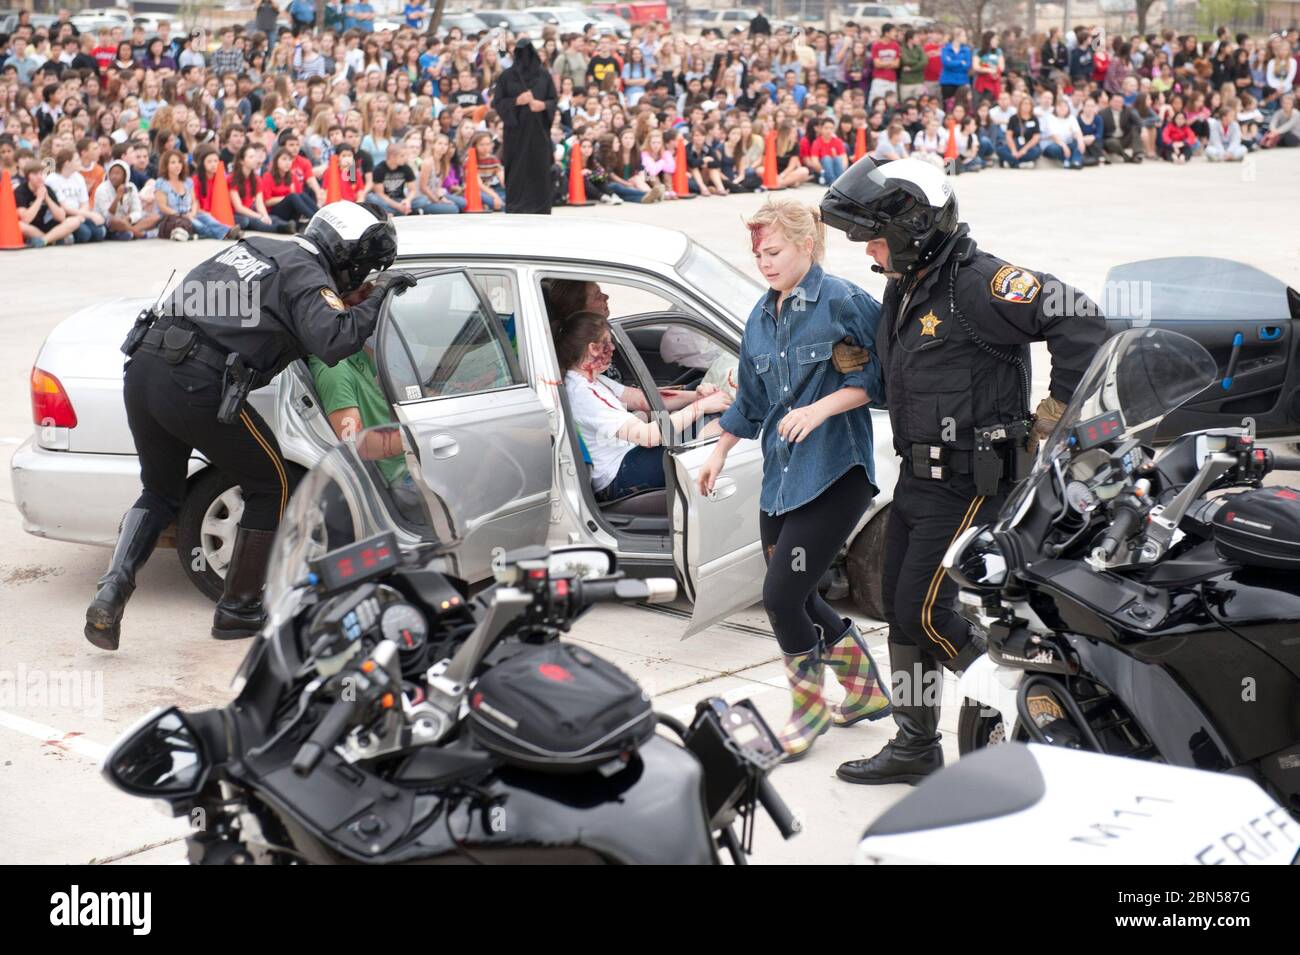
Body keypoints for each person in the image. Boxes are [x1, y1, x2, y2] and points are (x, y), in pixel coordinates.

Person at [820, 158, 1104, 784]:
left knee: (928, 613)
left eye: (873, 235)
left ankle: (1043, 725)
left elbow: (1079, 315)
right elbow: (923, 378)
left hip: (974, 484)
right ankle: (916, 748)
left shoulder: (979, 281)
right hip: (918, 480)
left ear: (914, 224)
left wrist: (1054, 412)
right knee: (901, 612)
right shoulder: (910, 281)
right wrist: (863, 362)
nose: (867, 249)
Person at [83, 201, 412, 651]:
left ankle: (111, 591)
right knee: (273, 485)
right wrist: (380, 295)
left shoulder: (253, 247)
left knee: (160, 492)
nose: (361, 278)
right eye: (363, 269)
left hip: (144, 367)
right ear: (346, 256)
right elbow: (333, 340)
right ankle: (238, 609)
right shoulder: (306, 273)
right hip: (194, 382)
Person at [698, 198, 892, 761]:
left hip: (836, 474)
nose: (765, 263)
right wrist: (720, 449)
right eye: (759, 254)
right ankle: (863, 693)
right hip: (780, 481)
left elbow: (881, 380)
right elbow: (753, 400)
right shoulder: (760, 317)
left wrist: (821, 408)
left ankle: (807, 715)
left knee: (781, 597)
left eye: (775, 251)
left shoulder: (843, 301)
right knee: (798, 591)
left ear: (807, 245)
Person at [551, 291, 730, 501]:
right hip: (619, 474)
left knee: (702, 407)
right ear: (593, 348)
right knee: (713, 426)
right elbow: (648, 436)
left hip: (629, 451)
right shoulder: (581, 393)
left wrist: (696, 396)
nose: (613, 348)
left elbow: (644, 400)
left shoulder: (592, 378)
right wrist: (701, 408)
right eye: (608, 342)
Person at [492, 38, 557, 214]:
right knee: (517, 169)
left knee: (539, 169)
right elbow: (498, 102)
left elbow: (553, 100)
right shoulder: (507, 77)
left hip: (538, 131)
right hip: (516, 132)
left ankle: (541, 207)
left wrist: (542, 106)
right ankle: (516, 206)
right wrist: (516, 101)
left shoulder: (544, 76)